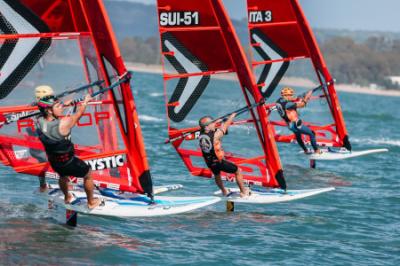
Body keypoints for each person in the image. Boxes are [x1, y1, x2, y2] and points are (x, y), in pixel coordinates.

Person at [36, 94, 101, 209]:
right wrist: (85, 102)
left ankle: (67, 196)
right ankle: (91, 202)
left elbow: (47, 115)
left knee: (63, 176)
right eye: (58, 106)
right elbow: (79, 114)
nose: (61, 107)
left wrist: (64, 105)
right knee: (88, 175)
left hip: (55, 163)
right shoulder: (63, 123)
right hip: (69, 162)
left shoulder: (39, 122)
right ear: (49, 110)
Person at [198, 113, 250, 198]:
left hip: (209, 162)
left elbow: (209, 126)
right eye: (212, 123)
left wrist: (218, 120)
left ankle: (224, 191)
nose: (214, 124)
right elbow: (224, 127)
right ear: (207, 126)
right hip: (219, 162)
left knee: (217, 174)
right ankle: (243, 192)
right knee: (237, 171)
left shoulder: (201, 134)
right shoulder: (215, 135)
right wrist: (231, 117)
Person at [276, 87, 322, 154]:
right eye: (290, 95)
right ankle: (317, 151)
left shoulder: (279, 101)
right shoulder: (288, 104)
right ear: (287, 95)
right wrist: (306, 97)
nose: (292, 96)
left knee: (298, 136)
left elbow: (291, 100)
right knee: (312, 134)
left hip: (290, 125)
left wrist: (299, 97)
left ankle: (305, 150)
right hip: (296, 124)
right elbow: (303, 105)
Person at [27, 85, 56, 192]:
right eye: (49, 97)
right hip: (38, 147)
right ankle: (67, 183)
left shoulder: (44, 106)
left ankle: (43, 186)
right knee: (59, 159)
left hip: (41, 145)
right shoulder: (32, 110)